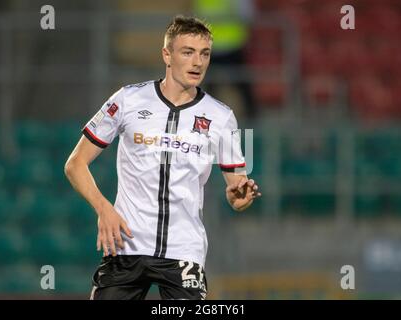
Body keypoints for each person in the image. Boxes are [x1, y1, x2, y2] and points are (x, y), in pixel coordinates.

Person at [64, 15, 261, 300]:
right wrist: (103, 208)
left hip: (184, 253)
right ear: (166, 55)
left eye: (205, 54)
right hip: (126, 246)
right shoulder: (127, 99)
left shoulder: (223, 116)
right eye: (188, 52)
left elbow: (238, 188)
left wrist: (241, 198)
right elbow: (75, 164)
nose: (198, 62)